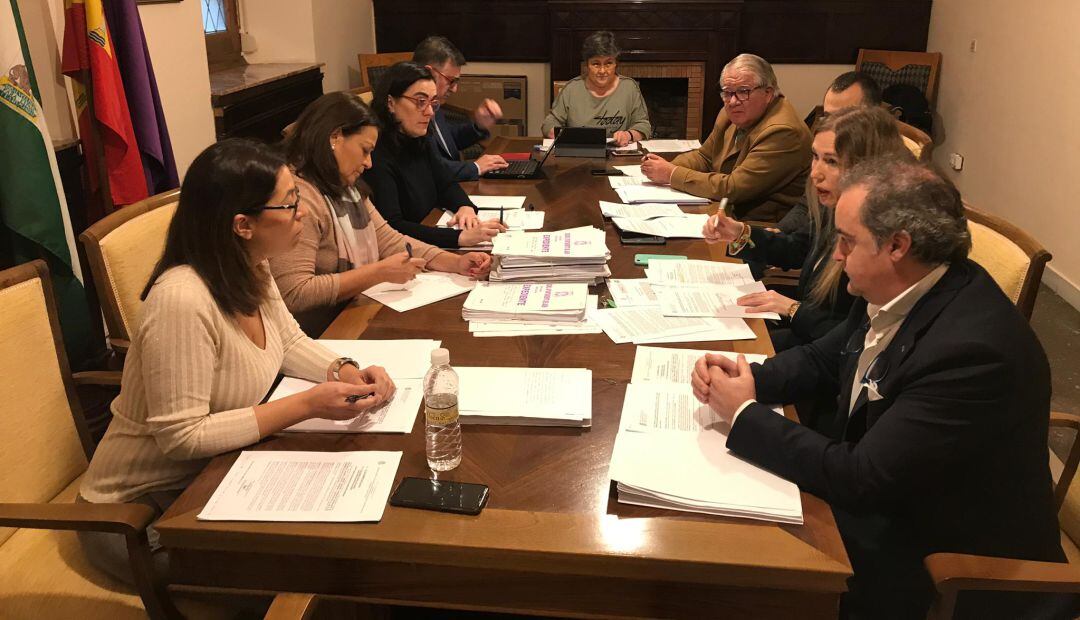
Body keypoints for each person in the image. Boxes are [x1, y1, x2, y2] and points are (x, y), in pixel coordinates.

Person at [691, 158, 1069, 619]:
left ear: (897, 245)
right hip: (890, 498)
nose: (835, 255)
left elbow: (862, 479)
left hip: (947, 567)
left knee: (730, 570)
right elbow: (824, 357)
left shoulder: (973, 352)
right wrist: (750, 378)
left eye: (846, 241)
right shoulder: (898, 287)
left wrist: (745, 415)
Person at [77, 139, 396, 584]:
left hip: (212, 477)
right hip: (139, 517)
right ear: (243, 224)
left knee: (347, 546)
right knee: (324, 571)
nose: (302, 212)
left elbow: (286, 340)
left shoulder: (250, 263)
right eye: (289, 204)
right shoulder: (182, 300)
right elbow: (181, 436)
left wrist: (345, 368)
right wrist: (305, 405)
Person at [270, 92, 493, 335]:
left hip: (352, 312)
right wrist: (377, 273)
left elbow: (389, 240)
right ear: (335, 138)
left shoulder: (345, 187)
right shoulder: (298, 197)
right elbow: (295, 293)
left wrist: (456, 262)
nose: (369, 163)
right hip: (320, 332)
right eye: (365, 151)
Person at [703, 107, 914, 353]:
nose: (815, 173)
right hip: (806, 328)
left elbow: (856, 338)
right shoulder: (832, 204)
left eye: (831, 161)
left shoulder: (878, 235)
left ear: (867, 167)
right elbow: (798, 248)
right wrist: (741, 232)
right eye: (815, 157)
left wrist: (793, 309)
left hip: (821, 347)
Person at [640, 53, 811, 222]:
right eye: (727, 92)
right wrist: (666, 167)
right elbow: (704, 156)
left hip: (762, 226)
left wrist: (672, 174)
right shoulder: (730, 114)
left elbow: (733, 188)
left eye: (743, 91)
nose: (733, 101)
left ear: (768, 93)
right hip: (728, 211)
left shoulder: (783, 132)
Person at [366, 62, 506, 249]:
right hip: (404, 253)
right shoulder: (376, 152)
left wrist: (465, 207)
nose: (430, 112)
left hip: (430, 234)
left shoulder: (418, 137)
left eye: (433, 103)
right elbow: (392, 226)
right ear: (391, 103)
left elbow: (444, 183)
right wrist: (458, 238)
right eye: (420, 102)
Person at [412, 35, 509, 180]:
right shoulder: (408, 110)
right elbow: (428, 169)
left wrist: (478, 125)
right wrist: (475, 167)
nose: (455, 89)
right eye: (451, 81)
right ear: (429, 73)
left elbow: (446, 142)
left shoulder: (433, 103)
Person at [541, 31, 652, 146]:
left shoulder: (629, 87)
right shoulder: (571, 89)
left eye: (608, 63)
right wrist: (566, 136)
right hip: (580, 152)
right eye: (596, 64)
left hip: (618, 154)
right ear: (587, 65)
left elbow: (643, 125)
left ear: (616, 64)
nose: (602, 71)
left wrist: (628, 135)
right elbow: (549, 124)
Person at [822, 71, 923, 159]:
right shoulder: (822, 150)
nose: (832, 127)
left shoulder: (895, 161)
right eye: (828, 117)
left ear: (874, 117)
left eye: (844, 119)